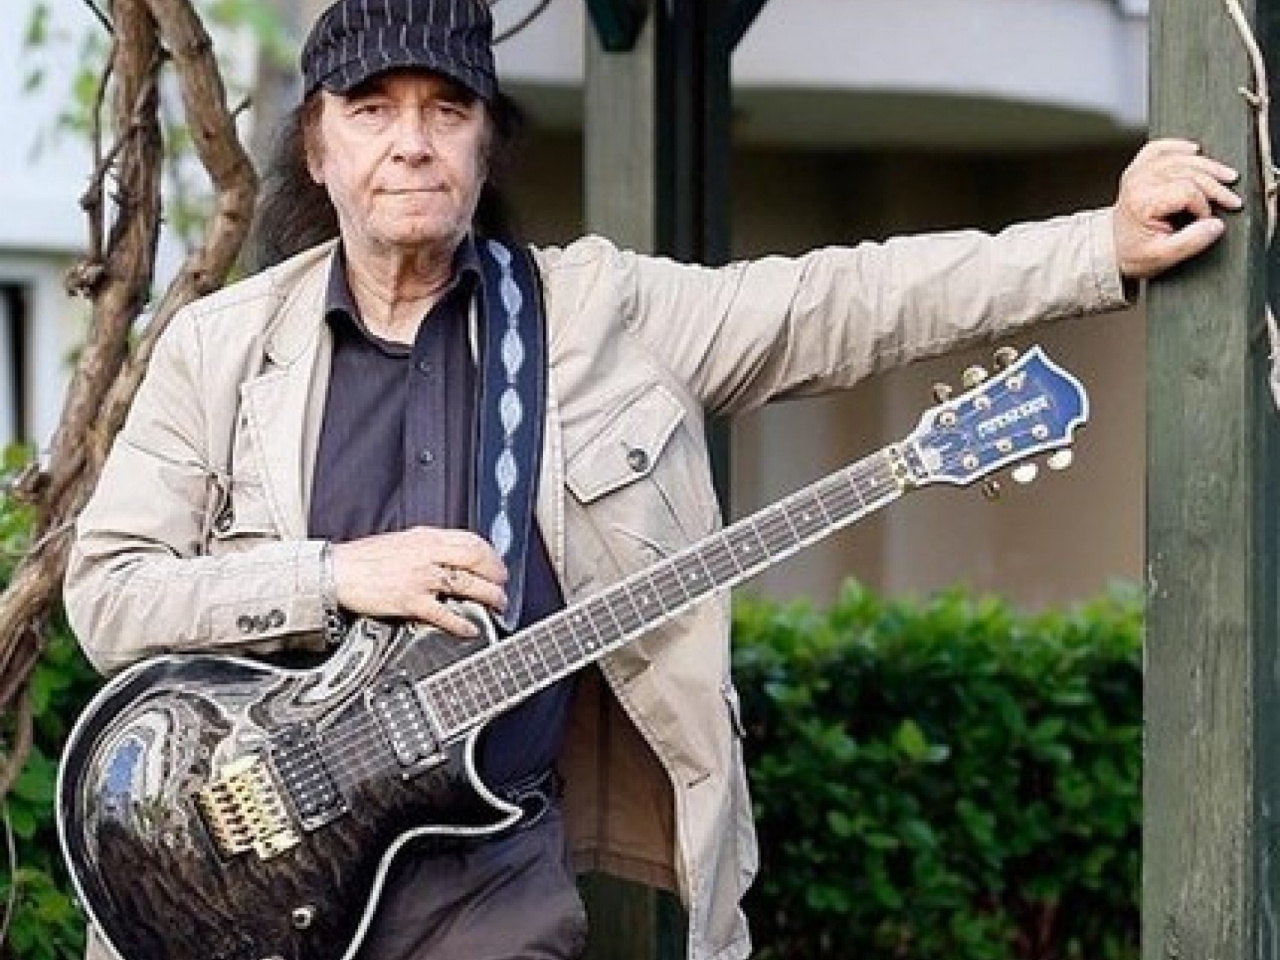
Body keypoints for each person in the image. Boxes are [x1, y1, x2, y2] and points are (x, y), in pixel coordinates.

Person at [62, 0, 1241, 957]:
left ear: (485, 142)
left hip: (486, 880)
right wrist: (332, 575)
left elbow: (839, 301)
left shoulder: (594, 315)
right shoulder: (222, 348)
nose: (410, 141)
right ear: (317, 148)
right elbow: (107, 594)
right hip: (247, 870)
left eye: (446, 108)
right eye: (371, 110)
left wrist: (1093, 246)